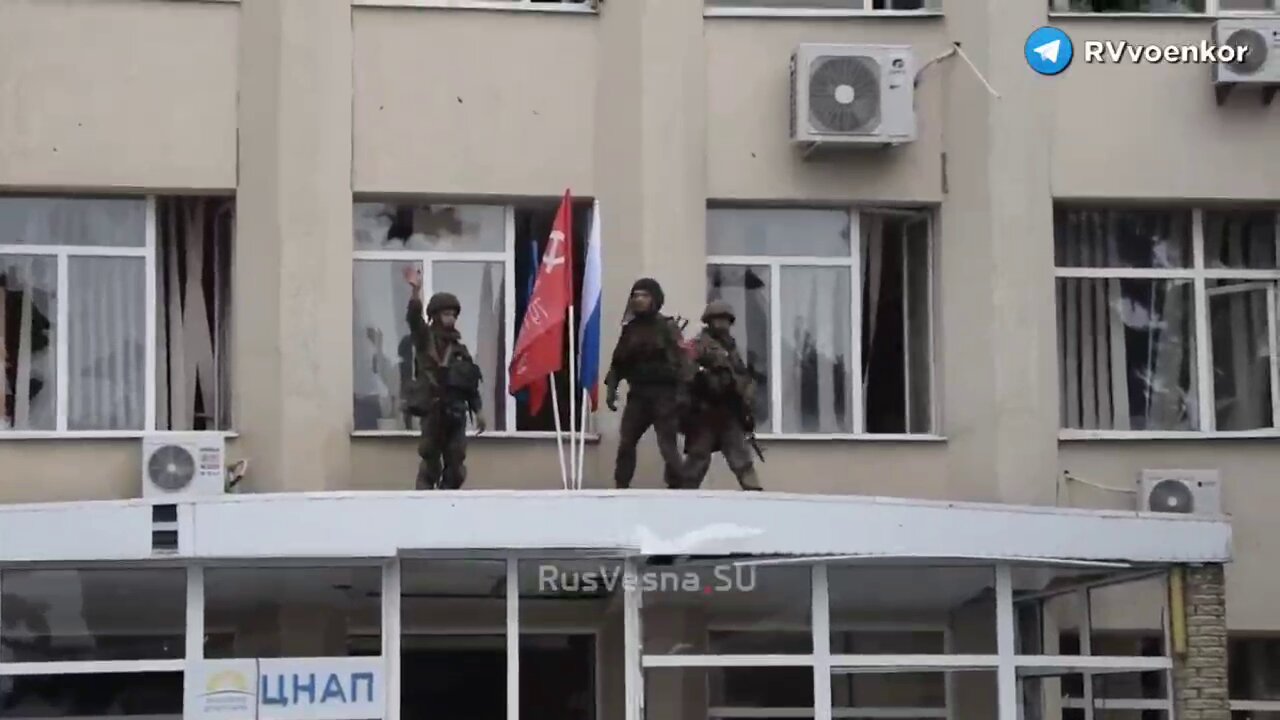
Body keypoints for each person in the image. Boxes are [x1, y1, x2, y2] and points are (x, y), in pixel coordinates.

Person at [605, 278, 693, 489]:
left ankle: (679, 487)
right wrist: (611, 388)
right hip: (638, 395)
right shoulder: (630, 329)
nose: (638, 300)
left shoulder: (668, 327)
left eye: (644, 296)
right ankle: (621, 486)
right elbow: (618, 362)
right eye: (635, 296)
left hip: (664, 395)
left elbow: (684, 363)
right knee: (626, 443)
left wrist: (683, 394)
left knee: (667, 446)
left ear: (655, 299)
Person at [402, 266, 485, 489]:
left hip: (455, 413)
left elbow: (470, 386)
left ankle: (448, 502)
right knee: (430, 462)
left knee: (456, 466)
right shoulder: (425, 340)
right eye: (446, 314)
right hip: (432, 410)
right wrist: (415, 292)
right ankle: (424, 504)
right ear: (436, 316)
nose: (450, 319)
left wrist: (478, 411)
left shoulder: (460, 350)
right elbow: (413, 319)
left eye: (452, 314)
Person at [679, 300, 764, 491]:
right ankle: (681, 498)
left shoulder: (732, 349)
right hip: (704, 412)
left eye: (725, 320)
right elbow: (685, 372)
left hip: (727, 412)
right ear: (709, 322)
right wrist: (702, 380)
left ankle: (755, 494)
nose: (721, 324)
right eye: (717, 320)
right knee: (697, 458)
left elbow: (742, 377)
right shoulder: (698, 345)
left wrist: (745, 401)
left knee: (741, 457)